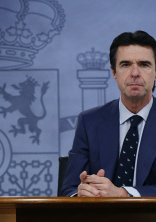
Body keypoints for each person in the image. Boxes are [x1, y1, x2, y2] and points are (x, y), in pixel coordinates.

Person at [61, 30, 156, 197]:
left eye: (144, 64)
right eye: (125, 65)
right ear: (114, 73)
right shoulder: (89, 121)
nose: (135, 73)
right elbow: (68, 190)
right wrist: (81, 194)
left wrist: (124, 194)